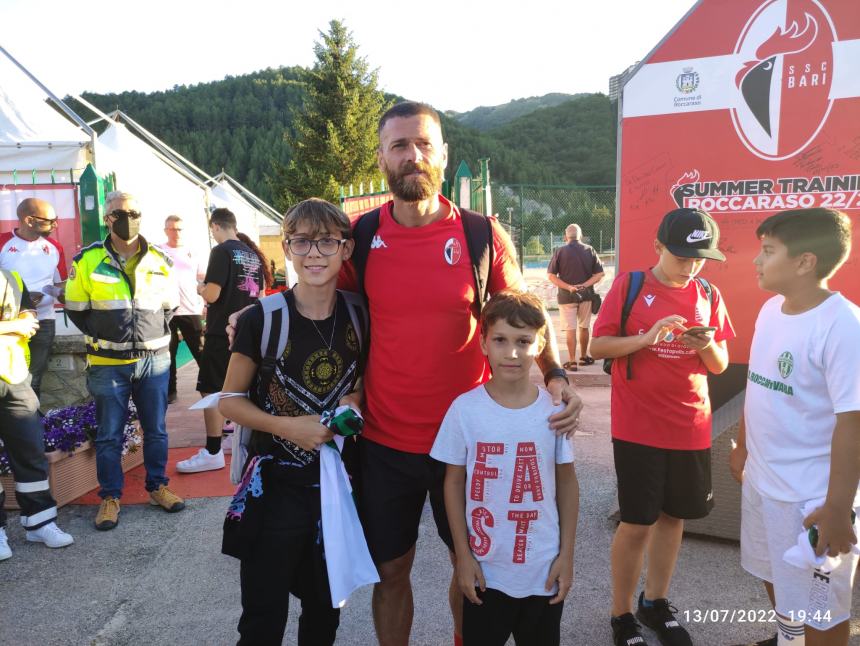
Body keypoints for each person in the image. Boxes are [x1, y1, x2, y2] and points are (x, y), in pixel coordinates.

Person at [339, 102, 582, 646]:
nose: (413, 156)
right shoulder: (361, 237)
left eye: (424, 144)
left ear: (444, 156)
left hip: (474, 444)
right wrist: (255, 315)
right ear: (381, 157)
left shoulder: (480, 236)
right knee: (392, 573)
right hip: (386, 442)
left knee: (470, 570)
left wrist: (557, 376)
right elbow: (324, 311)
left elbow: (523, 316)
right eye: (400, 146)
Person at [590, 207, 735, 646]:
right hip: (638, 427)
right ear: (657, 247)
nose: (690, 266)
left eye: (699, 257)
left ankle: (655, 603)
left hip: (690, 423)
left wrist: (705, 345)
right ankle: (622, 614)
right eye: (681, 256)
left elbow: (720, 364)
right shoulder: (631, 286)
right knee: (637, 521)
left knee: (675, 518)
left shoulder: (708, 293)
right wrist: (648, 337)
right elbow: (599, 344)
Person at [219, 198, 361, 645]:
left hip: (335, 489)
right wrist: (288, 426)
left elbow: (363, 382)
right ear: (286, 248)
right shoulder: (263, 317)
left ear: (347, 249)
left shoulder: (360, 314)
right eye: (302, 241)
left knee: (324, 614)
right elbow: (229, 400)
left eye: (326, 242)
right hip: (274, 488)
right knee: (262, 619)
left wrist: (352, 407)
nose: (314, 253)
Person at [729, 208, 860, 646]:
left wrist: (839, 508)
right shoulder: (770, 310)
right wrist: (744, 447)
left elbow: (853, 422)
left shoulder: (843, 325)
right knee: (775, 576)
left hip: (811, 499)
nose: (756, 260)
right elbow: (759, 384)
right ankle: (790, 636)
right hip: (764, 485)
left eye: (768, 251)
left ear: (805, 262)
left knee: (823, 611)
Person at [431, 290, 579, 646]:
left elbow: (568, 485)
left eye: (524, 341)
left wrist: (567, 556)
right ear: (483, 343)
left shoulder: (554, 413)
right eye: (500, 340)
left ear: (540, 344)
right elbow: (452, 484)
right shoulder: (464, 410)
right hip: (485, 574)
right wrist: (463, 558)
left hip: (543, 571)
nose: (512, 352)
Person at [65, 191, 185, 531]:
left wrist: (146, 337)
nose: (128, 217)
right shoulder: (86, 260)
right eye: (119, 212)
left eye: (134, 212)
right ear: (107, 218)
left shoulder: (160, 258)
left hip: (154, 360)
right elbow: (76, 309)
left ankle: (157, 486)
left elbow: (169, 308)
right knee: (109, 435)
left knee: (157, 430)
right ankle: (110, 497)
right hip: (107, 363)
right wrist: (109, 337)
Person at [177, 208, 268, 474]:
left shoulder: (221, 251)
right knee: (241, 389)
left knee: (211, 389)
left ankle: (213, 451)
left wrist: (200, 289)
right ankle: (243, 442)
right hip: (247, 328)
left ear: (216, 227)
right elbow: (258, 293)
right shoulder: (252, 253)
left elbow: (214, 294)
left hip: (220, 331)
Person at [0, 268, 74, 559]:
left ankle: (40, 522)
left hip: (13, 377)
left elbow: (30, 321)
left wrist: (17, 324)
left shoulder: (9, 276)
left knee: (30, 451)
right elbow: (18, 325)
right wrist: (9, 327)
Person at [0, 198, 67, 398]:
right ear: (29, 220)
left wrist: (58, 294)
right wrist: (22, 301)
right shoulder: (3, 243)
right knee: (7, 379)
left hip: (43, 320)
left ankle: (30, 422)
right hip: (8, 324)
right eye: (50, 220)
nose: (55, 225)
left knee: (34, 377)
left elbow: (60, 286)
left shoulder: (55, 247)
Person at [159, 215, 205, 405]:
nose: (175, 233)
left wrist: (206, 304)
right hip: (166, 310)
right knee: (168, 354)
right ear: (165, 230)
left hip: (190, 309)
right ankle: (170, 393)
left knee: (201, 353)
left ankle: (209, 388)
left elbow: (203, 279)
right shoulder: (158, 251)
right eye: (171, 229)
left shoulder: (193, 252)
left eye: (179, 229)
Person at [546, 223, 604, 371]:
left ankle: (572, 361)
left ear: (566, 237)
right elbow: (599, 274)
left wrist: (569, 287)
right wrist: (584, 285)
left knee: (570, 329)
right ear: (580, 235)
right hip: (586, 295)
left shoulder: (560, 251)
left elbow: (551, 276)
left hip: (566, 297)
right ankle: (584, 357)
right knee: (584, 327)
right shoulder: (589, 250)